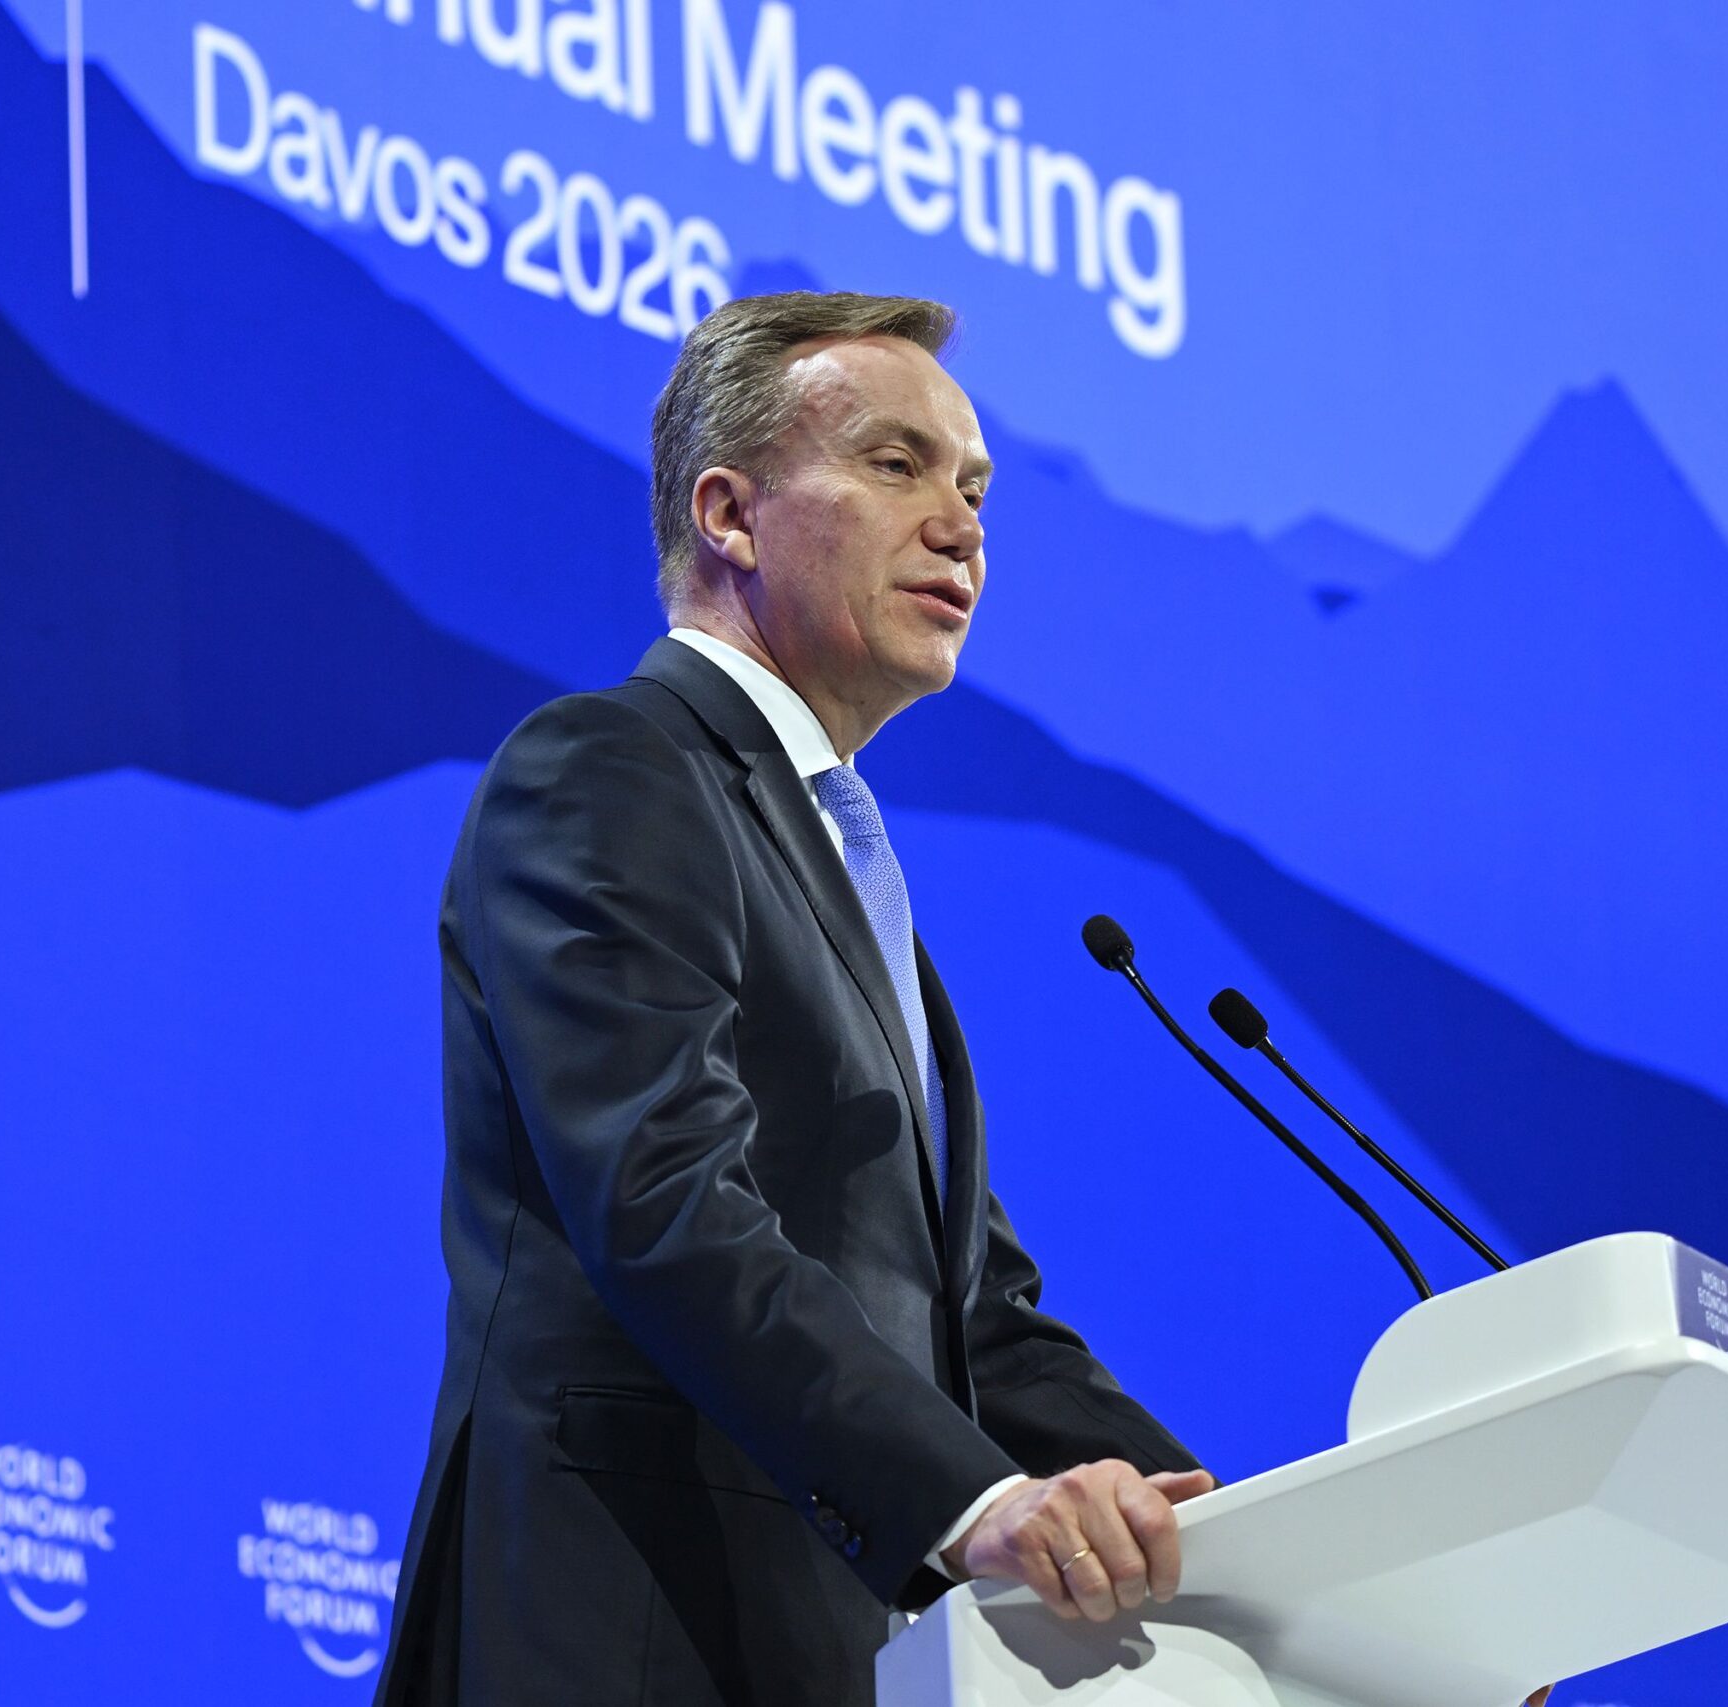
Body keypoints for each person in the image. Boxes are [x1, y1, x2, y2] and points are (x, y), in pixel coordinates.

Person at [373, 291, 1213, 1707]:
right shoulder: (611, 769)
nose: (961, 526)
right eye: (896, 466)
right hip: (628, 1633)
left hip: (825, 1655)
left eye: (974, 488)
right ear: (729, 514)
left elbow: (979, 1322)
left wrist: (1279, 1575)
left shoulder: (855, 880)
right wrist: (968, 1504)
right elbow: (662, 1201)